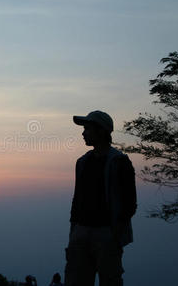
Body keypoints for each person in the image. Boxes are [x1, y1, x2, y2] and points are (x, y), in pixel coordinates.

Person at [64, 110, 137, 286]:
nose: (83, 133)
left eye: (87, 129)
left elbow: (129, 203)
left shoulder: (120, 162)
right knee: (75, 280)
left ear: (102, 131)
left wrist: (115, 233)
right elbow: (77, 198)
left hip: (106, 233)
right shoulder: (82, 162)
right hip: (81, 231)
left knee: (110, 280)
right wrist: (74, 231)